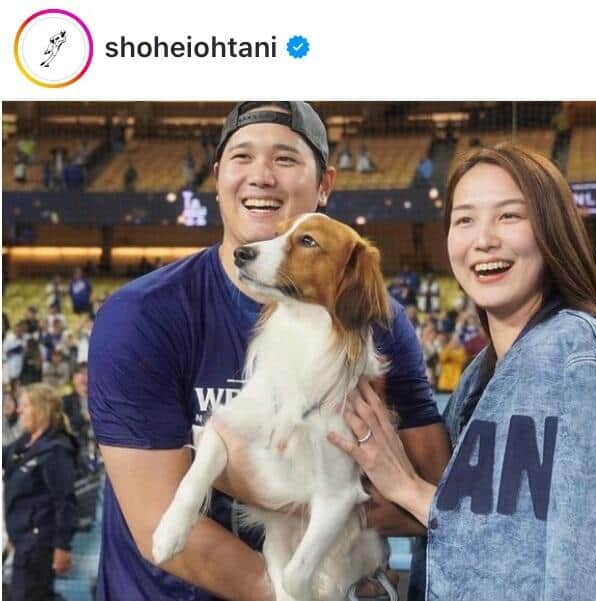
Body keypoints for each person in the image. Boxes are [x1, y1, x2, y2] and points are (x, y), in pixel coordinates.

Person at [88, 101, 450, 601]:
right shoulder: (141, 315)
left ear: (324, 185)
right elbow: (160, 526)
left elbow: (433, 498)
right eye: (242, 157)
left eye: (284, 158)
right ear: (218, 178)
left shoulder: (375, 321)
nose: (260, 175)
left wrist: (330, 494)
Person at [328, 145, 596, 600]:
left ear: (552, 231)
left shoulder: (590, 367)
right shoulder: (481, 376)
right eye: (464, 220)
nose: (483, 239)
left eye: (509, 216)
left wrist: (411, 491)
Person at [3, 383, 78, 601]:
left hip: (38, 544)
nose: (19, 410)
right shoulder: (25, 443)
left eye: (25, 405)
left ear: (40, 409)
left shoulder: (56, 449)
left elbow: (65, 501)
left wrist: (62, 546)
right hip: (22, 540)